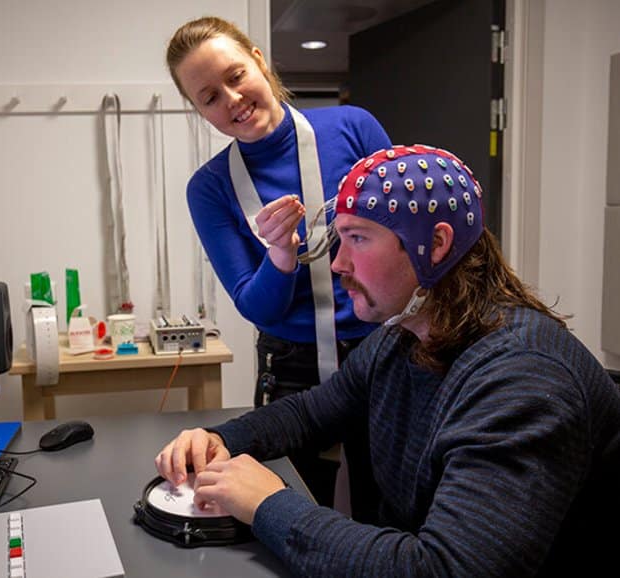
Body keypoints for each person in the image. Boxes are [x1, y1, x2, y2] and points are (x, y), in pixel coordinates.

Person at [155, 144, 620, 576]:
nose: (337, 265)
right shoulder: (401, 336)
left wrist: (268, 504)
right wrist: (218, 438)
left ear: (435, 246)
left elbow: (447, 568)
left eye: (357, 238)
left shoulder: (524, 380)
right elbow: (310, 413)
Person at [166, 16, 392, 507]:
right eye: (209, 97)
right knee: (284, 508)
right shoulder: (210, 188)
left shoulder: (353, 128)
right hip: (291, 368)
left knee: (388, 505)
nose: (231, 100)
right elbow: (258, 306)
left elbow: (404, 243)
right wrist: (280, 254)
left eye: (235, 76)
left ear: (259, 61)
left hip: (381, 348)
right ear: (200, 111)